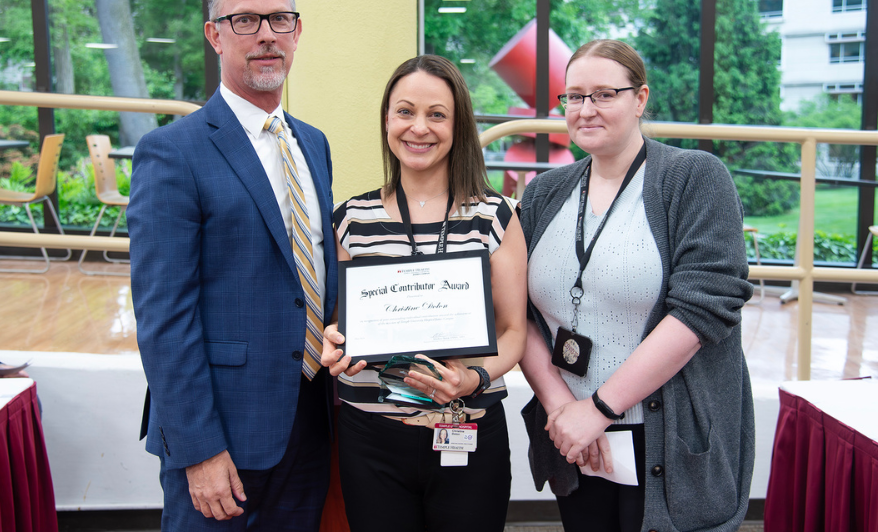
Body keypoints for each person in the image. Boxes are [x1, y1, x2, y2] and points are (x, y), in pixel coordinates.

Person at [128, 0, 336, 531]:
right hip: (220, 438)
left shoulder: (312, 145)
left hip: (309, 425)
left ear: (298, 31)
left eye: (280, 19)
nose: (266, 35)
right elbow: (163, 317)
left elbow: (309, 278)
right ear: (214, 35)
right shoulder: (172, 153)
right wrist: (198, 449)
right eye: (245, 20)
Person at [518, 39, 755, 531]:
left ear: (640, 98)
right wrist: (566, 410)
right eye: (574, 96)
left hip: (665, 435)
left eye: (605, 94)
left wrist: (601, 408)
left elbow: (701, 310)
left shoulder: (694, 178)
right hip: (574, 438)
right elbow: (515, 311)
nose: (586, 110)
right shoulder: (544, 192)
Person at [321, 55, 527, 532]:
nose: (419, 128)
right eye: (405, 111)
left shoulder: (495, 216)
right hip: (370, 436)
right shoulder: (350, 219)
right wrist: (333, 343)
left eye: (437, 114)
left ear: (459, 126)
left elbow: (515, 331)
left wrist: (472, 379)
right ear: (387, 120)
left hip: (466, 426)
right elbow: (337, 324)